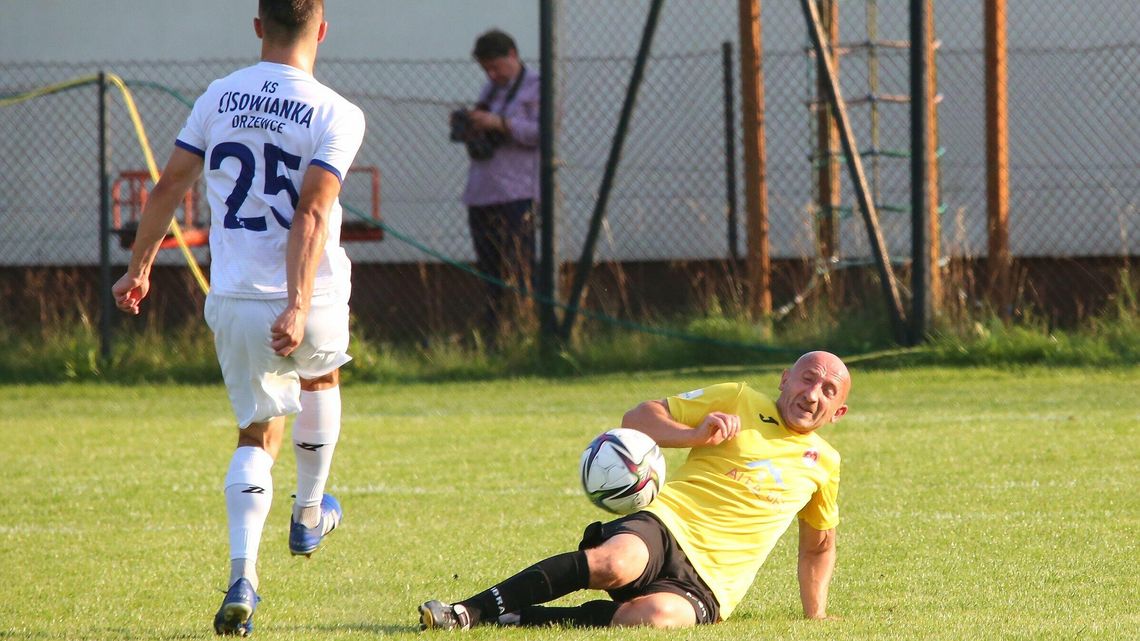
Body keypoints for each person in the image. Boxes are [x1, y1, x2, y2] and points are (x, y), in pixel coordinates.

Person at [111, 1, 365, 636]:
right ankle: (308, 514)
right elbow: (311, 210)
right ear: (323, 30)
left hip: (234, 297)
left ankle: (242, 576)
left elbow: (169, 185)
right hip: (312, 297)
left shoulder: (219, 97)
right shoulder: (337, 110)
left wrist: (140, 266)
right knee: (320, 380)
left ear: (259, 27)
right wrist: (300, 304)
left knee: (256, 432)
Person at [418, 351, 851, 630]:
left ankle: (523, 617)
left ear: (838, 411)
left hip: (714, 583)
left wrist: (815, 614)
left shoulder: (825, 464)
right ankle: (468, 611)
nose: (813, 394)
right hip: (666, 524)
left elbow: (818, 546)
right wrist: (695, 434)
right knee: (615, 562)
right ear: (784, 379)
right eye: (807, 379)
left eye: (827, 390)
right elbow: (637, 417)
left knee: (654, 617)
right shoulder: (738, 399)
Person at [451, 29, 540, 344]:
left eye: (496, 67)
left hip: (517, 192)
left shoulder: (537, 86)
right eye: (486, 69)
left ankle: (524, 330)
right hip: (482, 193)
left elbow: (545, 133)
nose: (492, 74)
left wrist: (501, 124)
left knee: (519, 267)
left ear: (513, 55)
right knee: (489, 270)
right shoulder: (491, 89)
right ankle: (494, 334)